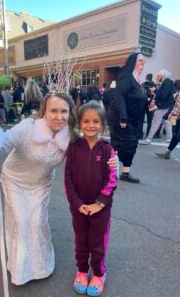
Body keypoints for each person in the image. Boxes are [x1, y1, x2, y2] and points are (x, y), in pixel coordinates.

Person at [0, 92, 118, 286]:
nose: (59, 116)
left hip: (41, 183)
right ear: (44, 111)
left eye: (64, 111)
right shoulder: (27, 128)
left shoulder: (71, 138)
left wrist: (115, 161)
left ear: (70, 113)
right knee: (22, 220)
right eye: (54, 110)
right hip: (15, 180)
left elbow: (90, 155)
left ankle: (41, 266)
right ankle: (20, 270)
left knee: (37, 221)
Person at [65, 101, 117, 296]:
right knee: (81, 240)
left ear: (102, 124)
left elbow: (112, 180)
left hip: (100, 208)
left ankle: (98, 273)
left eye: (96, 121)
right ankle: (82, 270)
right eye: (86, 121)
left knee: (97, 242)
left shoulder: (107, 149)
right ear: (79, 123)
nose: (91, 125)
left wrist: (99, 204)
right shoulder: (73, 147)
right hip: (78, 207)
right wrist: (77, 203)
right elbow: (68, 178)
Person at [107, 53, 147, 183]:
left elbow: (136, 99)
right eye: (140, 60)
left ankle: (123, 173)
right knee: (129, 142)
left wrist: (148, 104)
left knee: (119, 144)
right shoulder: (126, 77)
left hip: (129, 118)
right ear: (132, 62)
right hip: (119, 117)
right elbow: (119, 97)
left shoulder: (137, 79)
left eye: (144, 60)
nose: (143, 62)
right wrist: (123, 118)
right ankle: (109, 169)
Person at [140, 69, 174, 144]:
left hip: (162, 106)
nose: (158, 77)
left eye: (160, 76)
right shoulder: (169, 83)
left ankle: (148, 139)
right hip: (166, 106)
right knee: (166, 121)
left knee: (155, 122)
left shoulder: (166, 83)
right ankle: (169, 138)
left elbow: (163, 95)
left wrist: (155, 90)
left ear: (164, 76)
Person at [155, 79, 180, 159]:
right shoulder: (177, 93)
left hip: (175, 115)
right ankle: (167, 152)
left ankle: (167, 152)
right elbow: (177, 104)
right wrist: (171, 114)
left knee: (178, 135)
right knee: (175, 135)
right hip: (176, 116)